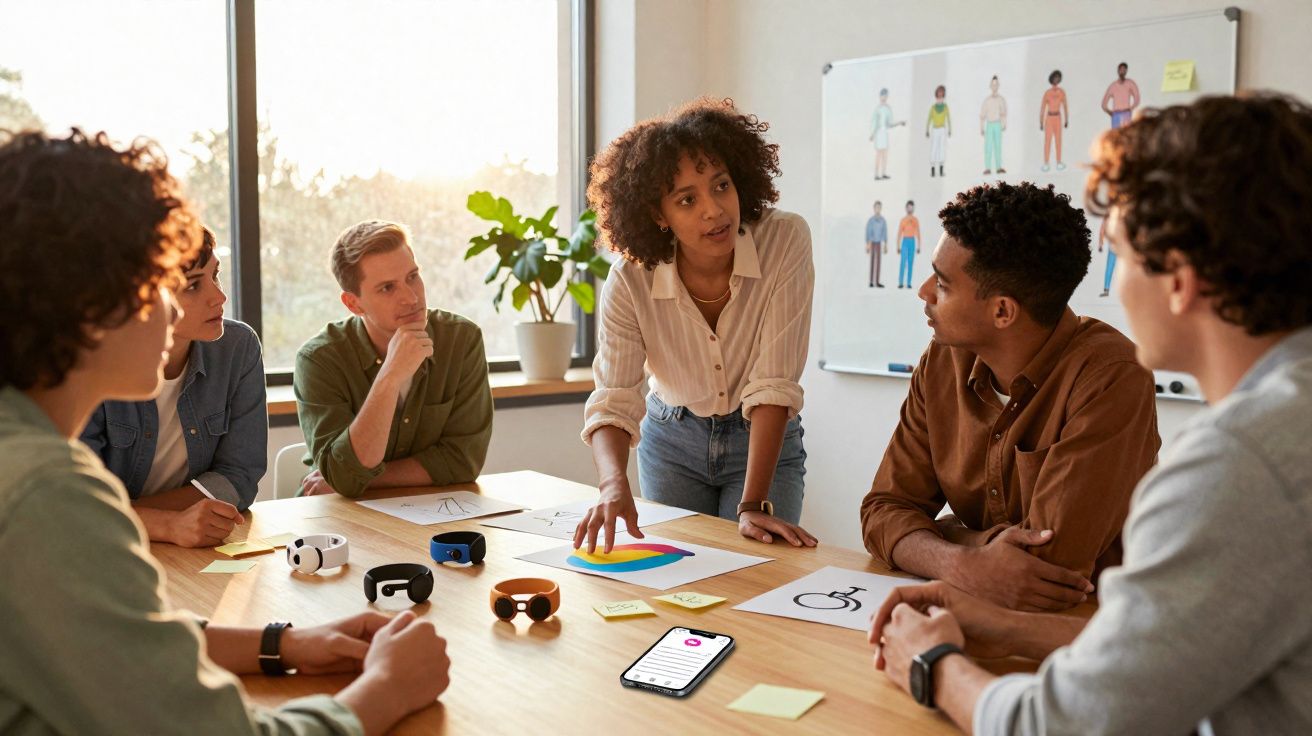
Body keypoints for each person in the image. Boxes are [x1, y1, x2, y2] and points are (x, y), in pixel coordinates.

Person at [870, 93, 1312, 735]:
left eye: (1122, 256)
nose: (1116, 285)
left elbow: (1067, 725)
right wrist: (980, 584)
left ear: (1180, 280)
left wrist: (931, 663)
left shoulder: (1236, 467)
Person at [0, 128, 450, 735]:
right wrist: (386, 690)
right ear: (87, 304)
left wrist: (286, 643)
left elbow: (120, 640)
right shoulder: (46, 497)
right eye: (162, 280)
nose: (177, 307)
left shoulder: (22, 457)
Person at [861, 181, 1158, 612]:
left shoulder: (1112, 377)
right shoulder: (944, 359)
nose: (923, 291)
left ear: (1003, 311)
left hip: (1093, 629)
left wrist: (942, 532)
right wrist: (961, 561)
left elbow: (1046, 565)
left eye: (942, 285)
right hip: (977, 611)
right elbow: (883, 510)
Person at [575, 97, 818, 554]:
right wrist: (611, 485)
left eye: (721, 185)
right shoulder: (630, 280)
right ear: (657, 215)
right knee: (679, 584)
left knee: (758, 577)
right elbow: (614, 399)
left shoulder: (784, 239)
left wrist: (753, 503)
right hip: (672, 444)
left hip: (764, 440)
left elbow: (774, 383)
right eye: (687, 199)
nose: (714, 210)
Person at [80, 228, 265, 548]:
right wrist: (165, 524)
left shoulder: (238, 348)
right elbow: (77, 504)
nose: (220, 296)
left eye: (215, 275)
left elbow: (240, 475)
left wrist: (124, 515)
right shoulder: (94, 362)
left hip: (186, 544)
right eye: (193, 285)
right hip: (102, 549)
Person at [294, 220, 494, 498]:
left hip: (431, 513)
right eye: (388, 288)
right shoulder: (319, 360)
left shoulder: (461, 340)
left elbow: (462, 462)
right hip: (336, 520)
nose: (411, 298)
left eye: (412, 276)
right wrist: (389, 377)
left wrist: (364, 479)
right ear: (354, 304)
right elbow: (341, 476)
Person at [870, 87, 906, 180]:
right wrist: (872, 134)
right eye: (882, 95)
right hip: (878, 133)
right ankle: (876, 174)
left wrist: (899, 123)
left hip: (884, 133)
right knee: (879, 154)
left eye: (885, 96)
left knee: (885, 153)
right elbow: (874, 122)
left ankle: (883, 173)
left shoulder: (888, 109)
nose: (884, 97)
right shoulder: (877, 109)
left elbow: (890, 124)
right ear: (880, 96)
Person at [1039, 70, 1068, 172]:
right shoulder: (1048, 93)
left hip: (1058, 117)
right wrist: (1041, 121)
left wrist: (1066, 119)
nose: (1056, 79)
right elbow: (1043, 107)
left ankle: (1058, 162)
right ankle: (1046, 163)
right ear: (1051, 79)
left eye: (1058, 78)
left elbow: (1065, 106)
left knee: (1058, 140)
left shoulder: (1061, 92)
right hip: (1049, 118)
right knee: (1048, 140)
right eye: (1054, 77)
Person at [980, 76, 1007, 175]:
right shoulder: (987, 100)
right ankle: (987, 168)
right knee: (988, 146)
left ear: (998, 85)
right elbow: (982, 115)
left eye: (996, 84)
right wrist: (982, 127)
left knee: (998, 146)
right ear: (990, 86)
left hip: (997, 124)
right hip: (989, 125)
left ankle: (999, 167)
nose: (994, 86)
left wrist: (1004, 124)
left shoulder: (1001, 99)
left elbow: (1004, 113)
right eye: (993, 84)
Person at [1101, 61, 1141, 129]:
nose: (1122, 71)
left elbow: (1137, 98)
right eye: (1121, 70)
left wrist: (1130, 108)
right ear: (1118, 71)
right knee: (1116, 135)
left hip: (1126, 113)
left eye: (1124, 70)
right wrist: (1110, 112)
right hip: (1116, 114)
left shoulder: (1130, 83)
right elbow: (1104, 104)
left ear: (1126, 71)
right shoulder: (1113, 86)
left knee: (1126, 134)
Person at [926, 85, 952, 177]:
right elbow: (929, 118)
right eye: (938, 96)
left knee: (941, 148)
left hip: (942, 129)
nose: (940, 98)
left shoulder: (945, 107)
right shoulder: (933, 107)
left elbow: (948, 118)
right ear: (936, 96)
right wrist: (927, 130)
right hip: (935, 129)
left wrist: (949, 130)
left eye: (941, 96)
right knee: (934, 148)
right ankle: (933, 169)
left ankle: (941, 169)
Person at [896, 200, 920, 289]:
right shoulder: (903, 220)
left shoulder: (915, 220)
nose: (910, 209)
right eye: (909, 207)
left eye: (912, 207)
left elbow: (918, 233)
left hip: (912, 241)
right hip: (905, 241)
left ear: (913, 208)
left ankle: (909, 283)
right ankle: (901, 282)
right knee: (903, 262)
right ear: (906, 208)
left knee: (910, 262)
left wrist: (919, 246)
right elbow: (899, 233)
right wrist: (898, 246)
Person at [866, 200, 888, 288]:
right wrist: (868, 243)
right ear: (874, 208)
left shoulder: (883, 220)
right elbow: (868, 232)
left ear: (881, 208)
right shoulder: (871, 220)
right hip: (872, 242)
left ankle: (877, 281)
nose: (878, 209)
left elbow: (884, 232)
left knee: (878, 262)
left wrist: (885, 244)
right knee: (872, 261)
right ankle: (871, 281)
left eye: (879, 207)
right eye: (876, 207)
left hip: (879, 242)